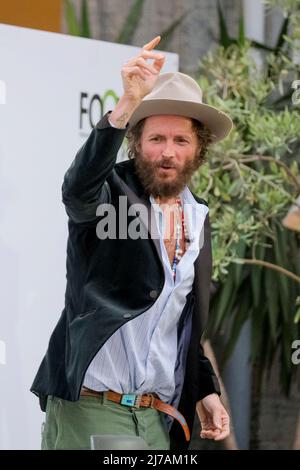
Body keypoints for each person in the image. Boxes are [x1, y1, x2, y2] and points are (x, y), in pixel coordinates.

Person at [31, 36, 233, 450]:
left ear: (199, 149)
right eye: (156, 139)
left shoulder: (199, 217)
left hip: (156, 417)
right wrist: (125, 106)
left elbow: (176, 320)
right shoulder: (110, 195)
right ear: (136, 142)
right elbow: (77, 191)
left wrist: (205, 389)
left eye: (181, 141)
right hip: (93, 408)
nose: (167, 152)